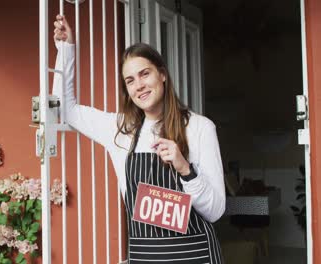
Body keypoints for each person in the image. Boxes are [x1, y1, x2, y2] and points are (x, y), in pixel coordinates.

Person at [52, 14, 225, 263]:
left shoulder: (200, 128)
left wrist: (185, 169)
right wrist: (66, 49)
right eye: (130, 80)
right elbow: (63, 109)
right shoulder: (119, 128)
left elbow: (216, 212)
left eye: (145, 74)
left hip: (196, 256)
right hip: (146, 257)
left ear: (162, 75)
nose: (139, 85)